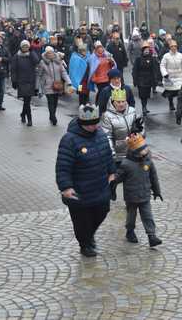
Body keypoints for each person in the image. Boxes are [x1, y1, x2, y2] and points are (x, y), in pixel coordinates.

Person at [56, 103, 116, 257]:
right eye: (90, 124)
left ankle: (89, 236)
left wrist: (112, 173)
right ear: (82, 123)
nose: (94, 127)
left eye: (96, 123)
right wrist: (66, 187)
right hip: (79, 191)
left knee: (102, 211)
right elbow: (63, 167)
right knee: (82, 221)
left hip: (100, 187)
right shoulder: (69, 140)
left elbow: (108, 155)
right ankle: (85, 244)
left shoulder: (101, 134)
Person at [113, 133, 163, 247]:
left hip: (145, 194)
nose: (146, 150)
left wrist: (157, 191)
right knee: (131, 215)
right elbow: (118, 178)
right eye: (143, 149)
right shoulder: (126, 164)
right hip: (131, 197)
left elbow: (153, 177)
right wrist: (112, 180)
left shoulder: (148, 161)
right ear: (135, 151)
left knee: (147, 215)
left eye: (146, 148)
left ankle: (152, 236)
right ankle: (130, 231)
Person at [101, 88, 143, 164]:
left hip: (134, 152)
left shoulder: (132, 111)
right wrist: (112, 154)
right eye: (118, 102)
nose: (121, 104)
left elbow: (141, 129)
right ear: (113, 102)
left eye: (123, 101)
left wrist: (139, 133)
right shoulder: (107, 115)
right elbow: (107, 136)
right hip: (118, 155)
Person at [38, 46, 73, 126]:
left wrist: (69, 82)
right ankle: (53, 117)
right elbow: (39, 75)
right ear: (46, 54)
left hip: (57, 85)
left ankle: (52, 115)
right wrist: (40, 88)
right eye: (48, 53)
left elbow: (63, 72)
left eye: (51, 52)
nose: (50, 54)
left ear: (54, 53)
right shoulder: (42, 62)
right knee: (51, 102)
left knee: (55, 102)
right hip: (48, 86)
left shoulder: (58, 61)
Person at [10, 40, 40, 127]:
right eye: (24, 46)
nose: (25, 48)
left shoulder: (31, 55)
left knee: (27, 101)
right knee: (26, 101)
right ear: (21, 47)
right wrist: (14, 81)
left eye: (27, 46)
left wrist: (32, 51)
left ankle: (23, 114)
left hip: (31, 81)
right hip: (21, 81)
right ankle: (29, 119)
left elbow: (36, 61)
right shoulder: (17, 56)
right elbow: (13, 70)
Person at [160, 40, 182, 111]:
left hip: (179, 77)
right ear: (170, 47)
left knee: (180, 93)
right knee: (171, 92)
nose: (174, 48)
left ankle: (180, 106)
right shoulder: (166, 56)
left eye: (175, 46)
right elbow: (162, 66)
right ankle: (171, 103)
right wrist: (165, 74)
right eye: (172, 46)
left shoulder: (180, 55)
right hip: (170, 78)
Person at [132, 42, 159, 116]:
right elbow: (135, 70)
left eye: (148, 49)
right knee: (142, 94)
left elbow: (154, 69)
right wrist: (135, 80)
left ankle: (145, 106)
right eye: (145, 49)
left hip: (149, 79)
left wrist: (155, 80)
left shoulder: (152, 59)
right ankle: (143, 107)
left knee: (147, 94)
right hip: (141, 79)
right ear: (143, 50)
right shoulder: (138, 59)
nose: (146, 51)